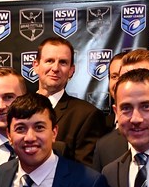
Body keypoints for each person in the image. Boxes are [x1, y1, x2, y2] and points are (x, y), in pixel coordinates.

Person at [33, 37, 104, 167]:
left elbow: (86, 172)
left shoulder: (86, 115)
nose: (55, 68)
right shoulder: (17, 109)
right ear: (36, 66)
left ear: (71, 71)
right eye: (49, 61)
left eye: (63, 62)